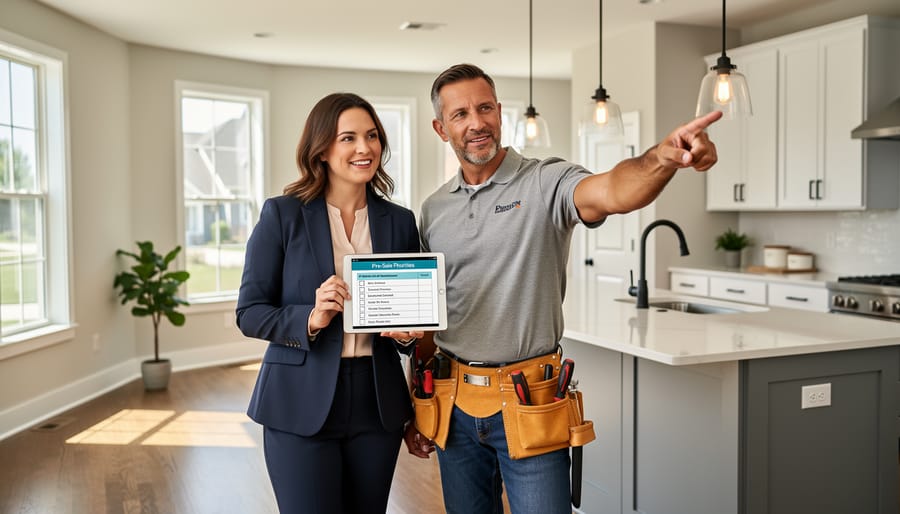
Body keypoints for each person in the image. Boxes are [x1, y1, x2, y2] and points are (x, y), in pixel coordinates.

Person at [417, 63, 722, 513]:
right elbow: (430, 313)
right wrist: (418, 401)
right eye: (460, 114)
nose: (476, 122)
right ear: (441, 128)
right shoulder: (433, 209)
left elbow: (613, 191)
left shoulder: (545, 181)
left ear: (501, 113)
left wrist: (662, 157)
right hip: (453, 401)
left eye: (485, 108)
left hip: (531, 401)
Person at [235, 92, 429, 514]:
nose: (365, 148)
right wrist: (311, 316)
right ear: (322, 148)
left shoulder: (400, 222)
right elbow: (249, 312)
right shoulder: (282, 215)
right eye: (349, 138)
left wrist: (407, 337)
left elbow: (409, 328)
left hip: (377, 403)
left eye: (372, 136)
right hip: (298, 399)